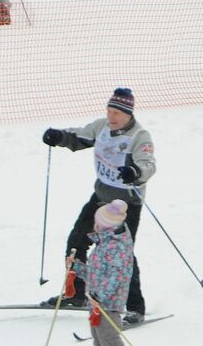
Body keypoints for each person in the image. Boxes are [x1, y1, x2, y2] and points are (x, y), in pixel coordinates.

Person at [41, 86, 154, 327]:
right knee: (76, 241)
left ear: (129, 114)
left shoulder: (139, 136)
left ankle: (135, 308)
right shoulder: (101, 126)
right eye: (109, 110)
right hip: (100, 197)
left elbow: (148, 165)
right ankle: (76, 293)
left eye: (117, 113)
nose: (112, 116)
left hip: (126, 204)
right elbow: (79, 136)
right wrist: (59, 136)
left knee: (122, 256)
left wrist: (134, 171)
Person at [71, 199, 136, 346]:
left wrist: (98, 296)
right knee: (98, 338)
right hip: (97, 302)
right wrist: (76, 267)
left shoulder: (117, 248)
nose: (95, 226)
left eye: (98, 224)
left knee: (109, 338)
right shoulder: (104, 244)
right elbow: (96, 274)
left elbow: (116, 276)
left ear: (108, 226)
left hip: (109, 304)